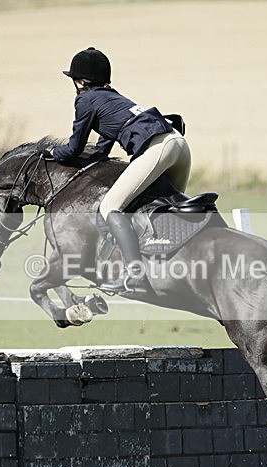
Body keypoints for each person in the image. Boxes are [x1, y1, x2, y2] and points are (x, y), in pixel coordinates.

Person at [47, 47, 191, 292]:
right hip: (179, 144)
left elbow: (74, 146)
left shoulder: (85, 99)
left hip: (159, 147)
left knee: (110, 207)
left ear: (81, 81)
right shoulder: (113, 98)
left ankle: (135, 273)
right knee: (168, 208)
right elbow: (102, 150)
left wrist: (51, 154)